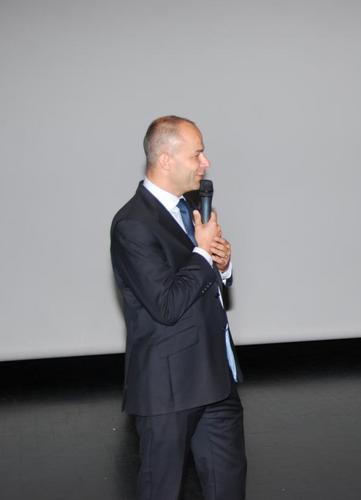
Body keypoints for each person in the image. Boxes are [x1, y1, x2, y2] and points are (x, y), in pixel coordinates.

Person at [110, 116, 246, 500]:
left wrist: (222, 264)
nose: (206, 163)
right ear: (166, 159)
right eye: (198, 153)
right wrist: (202, 253)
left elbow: (203, 284)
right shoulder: (132, 224)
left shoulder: (191, 211)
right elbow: (167, 305)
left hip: (216, 382)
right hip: (168, 391)